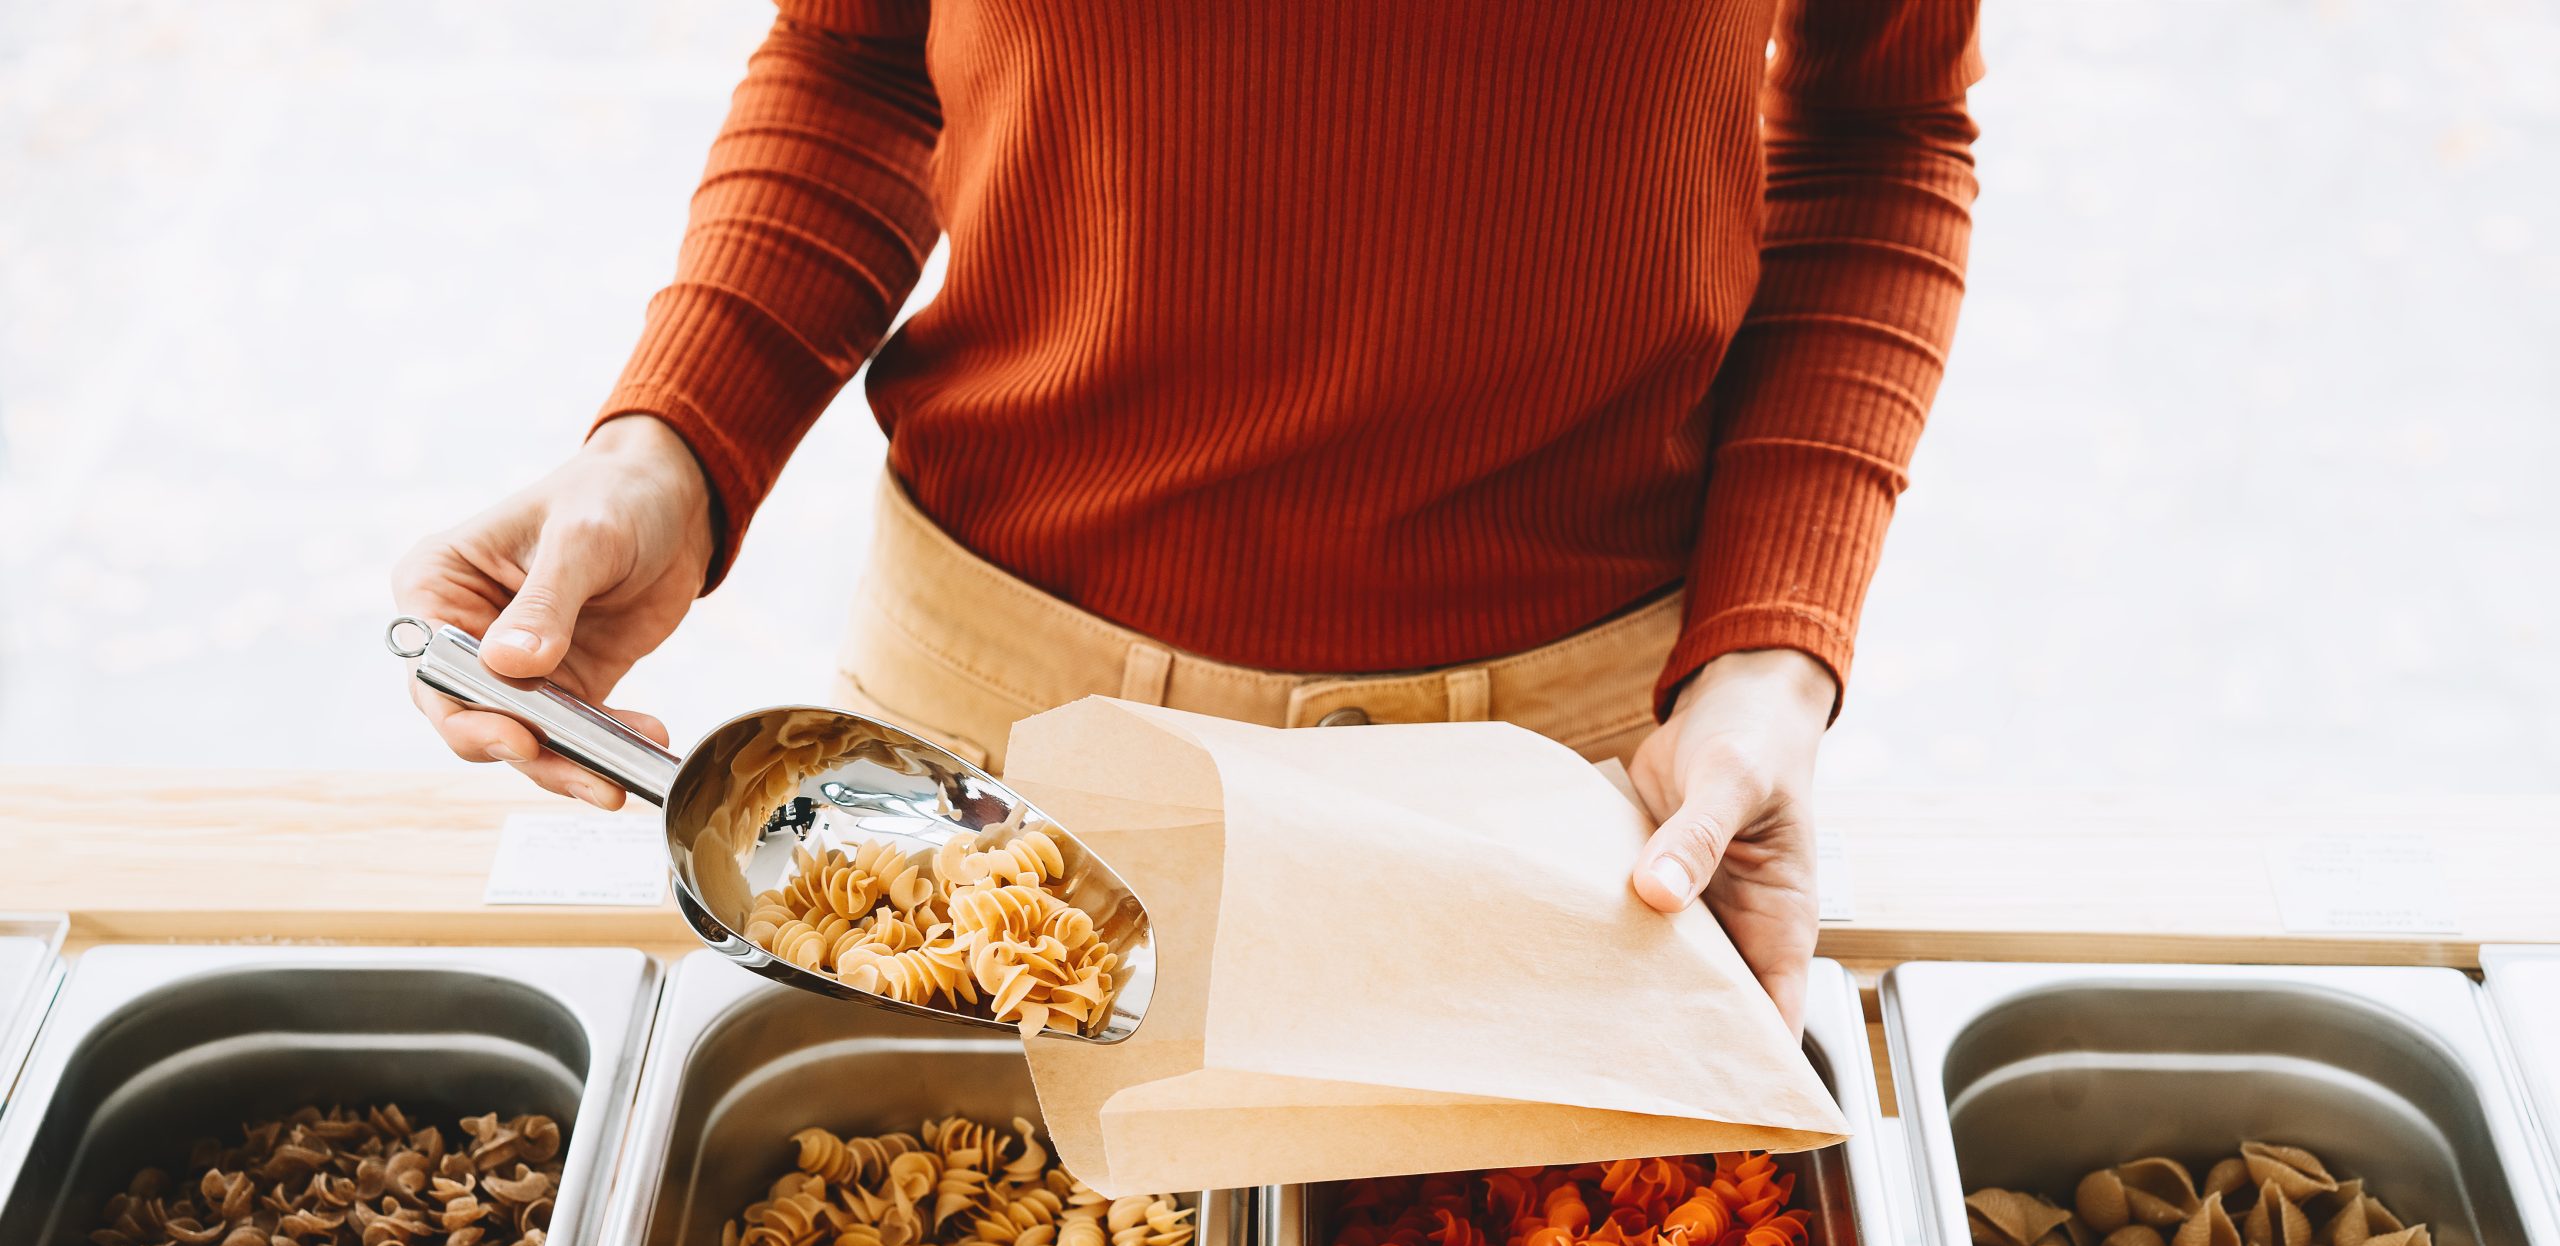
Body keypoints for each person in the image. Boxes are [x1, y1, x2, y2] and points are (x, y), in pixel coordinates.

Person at [393, 0, 1981, 1033]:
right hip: (989, 763)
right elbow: (864, 58)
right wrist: (674, 443)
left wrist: (1770, 661)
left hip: (1585, 788)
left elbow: (1876, 133)